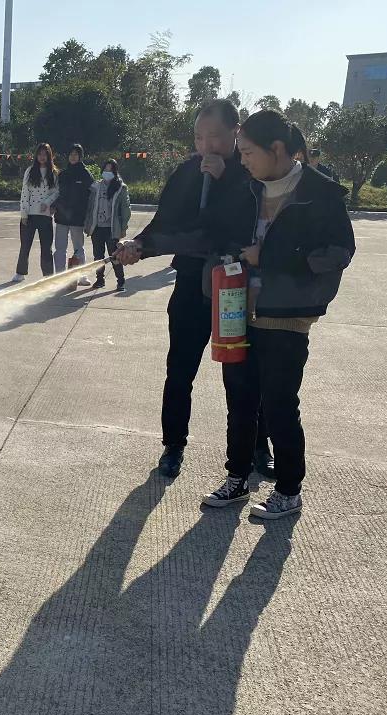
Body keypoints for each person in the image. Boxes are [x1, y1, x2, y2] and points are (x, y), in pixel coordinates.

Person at [120, 110, 355, 519]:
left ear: (274, 149)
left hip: (286, 314)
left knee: (279, 402)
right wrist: (144, 244)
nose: (241, 159)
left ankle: (288, 488)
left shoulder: (318, 193)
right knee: (239, 396)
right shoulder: (247, 188)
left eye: (246, 151)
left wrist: (272, 256)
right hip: (237, 306)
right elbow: (206, 231)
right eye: (199, 137)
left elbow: (338, 253)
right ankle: (236, 475)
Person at [125, 99, 274, 479]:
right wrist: (138, 246)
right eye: (198, 137)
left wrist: (225, 180)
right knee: (180, 368)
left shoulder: (251, 172)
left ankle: (257, 448)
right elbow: (167, 222)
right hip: (193, 282)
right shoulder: (187, 172)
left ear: (234, 133)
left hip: (233, 287)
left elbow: (245, 223)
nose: (206, 146)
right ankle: (173, 445)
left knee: (242, 375)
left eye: (214, 137)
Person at [12, 143, 59, 283]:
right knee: (25, 245)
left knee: (46, 247)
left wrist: (48, 202)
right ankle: (20, 273)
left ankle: (48, 275)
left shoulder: (54, 173)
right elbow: (25, 193)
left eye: (45, 154)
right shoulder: (30, 170)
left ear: (49, 155)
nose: (42, 157)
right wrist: (24, 214)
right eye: (39, 154)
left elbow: (57, 191)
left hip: (45, 215)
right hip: (30, 215)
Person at [83, 159, 130, 292]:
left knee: (114, 256)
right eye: (105, 170)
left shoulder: (121, 188)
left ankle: (121, 281)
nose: (107, 172)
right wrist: (88, 225)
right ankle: (100, 279)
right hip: (97, 227)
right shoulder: (96, 186)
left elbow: (126, 209)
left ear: (115, 172)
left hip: (111, 228)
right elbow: (90, 207)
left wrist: (123, 227)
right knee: (98, 256)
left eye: (110, 170)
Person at [54, 144, 95, 285]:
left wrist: (88, 216)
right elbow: (56, 194)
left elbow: (92, 195)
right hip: (61, 217)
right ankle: (59, 276)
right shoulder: (63, 174)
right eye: (71, 154)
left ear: (80, 156)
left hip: (77, 218)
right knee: (60, 249)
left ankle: (82, 276)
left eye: (75, 154)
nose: (73, 157)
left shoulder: (86, 174)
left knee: (79, 248)